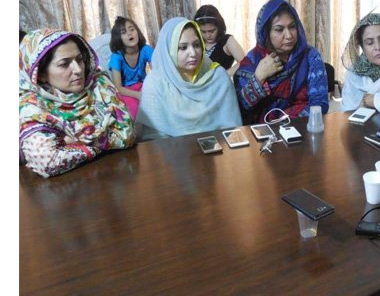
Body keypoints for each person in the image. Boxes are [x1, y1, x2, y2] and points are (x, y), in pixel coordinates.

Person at [19, 29, 135, 178]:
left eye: (79, 59)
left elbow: (128, 134)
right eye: (64, 64)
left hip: (117, 175)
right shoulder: (31, 106)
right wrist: (103, 137)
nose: (78, 69)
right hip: (66, 192)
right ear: (40, 73)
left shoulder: (99, 83)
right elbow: (48, 162)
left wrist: (69, 141)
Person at [136, 17, 242, 140]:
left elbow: (232, 131)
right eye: (183, 47)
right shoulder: (155, 83)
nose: (193, 53)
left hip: (217, 150)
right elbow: (153, 138)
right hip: (170, 154)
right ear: (169, 50)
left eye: (197, 45)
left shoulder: (218, 77)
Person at [234, 0, 328, 124]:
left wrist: (287, 126)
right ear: (266, 33)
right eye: (279, 29)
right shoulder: (253, 61)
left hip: (302, 130)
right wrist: (259, 77)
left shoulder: (310, 56)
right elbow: (241, 109)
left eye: (292, 27)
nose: (289, 35)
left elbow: (319, 104)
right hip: (262, 134)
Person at [108, 16, 154, 119]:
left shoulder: (146, 50)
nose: (130, 33)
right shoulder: (116, 57)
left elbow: (157, 75)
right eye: (124, 32)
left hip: (144, 87)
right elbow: (118, 87)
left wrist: (151, 91)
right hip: (126, 92)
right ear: (118, 38)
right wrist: (138, 95)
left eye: (132, 29)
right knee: (134, 112)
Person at [193, 4, 245, 76]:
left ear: (219, 27)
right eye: (203, 32)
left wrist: (222, 76)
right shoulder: (196, 42)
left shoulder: (227, 41)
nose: (208, 35)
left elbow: (245, 62)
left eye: (211, 31)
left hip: (220, 85)